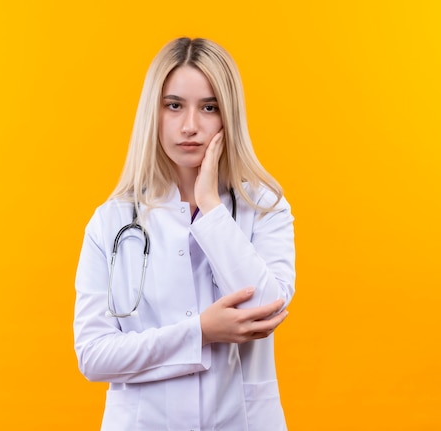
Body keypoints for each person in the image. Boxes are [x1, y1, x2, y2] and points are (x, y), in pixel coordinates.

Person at [74, 37, 296, 431]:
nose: (190, 126)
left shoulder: (264, 208)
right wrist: (200, 333)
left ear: (228, 117)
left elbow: (266, 310)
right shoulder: (111, 222)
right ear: (153, 114)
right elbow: (94, 355)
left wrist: (211, 206)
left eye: (208, 107)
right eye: (174, 105)